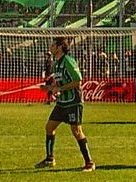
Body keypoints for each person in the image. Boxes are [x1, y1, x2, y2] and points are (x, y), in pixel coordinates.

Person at [37, 38, 95, 172]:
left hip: (73, 101)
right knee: (49, 127)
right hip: (62, 102)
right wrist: (50, 88)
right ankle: (50, 159)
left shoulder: (68, 61)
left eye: (53, 45)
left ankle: (89, 163)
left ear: (59, 47)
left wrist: (60, 89)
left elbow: (78, 81)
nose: (50, 47)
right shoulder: (56, 64)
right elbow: (59, 84)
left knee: (77, 131)